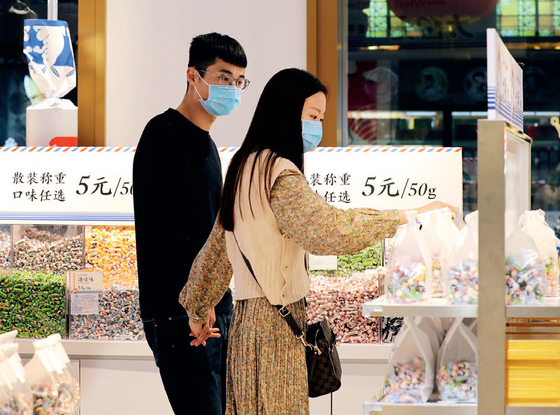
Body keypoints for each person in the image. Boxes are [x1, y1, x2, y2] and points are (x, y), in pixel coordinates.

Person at [179, 68, 455, 415]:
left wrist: (197, 307)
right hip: (274, 326)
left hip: (246, 326)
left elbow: (217, 249)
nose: (316, 126)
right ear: (286, 112)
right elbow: (327, 230)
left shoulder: (244, 165)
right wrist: (407, 215)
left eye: (320, 118)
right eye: (312, 116)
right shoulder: (279, 173)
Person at [133, 32, 248, 415]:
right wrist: (197, 302)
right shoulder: (162, 134)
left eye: (238, 81)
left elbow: (210, 230)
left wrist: (212, 297)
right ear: (193, 75)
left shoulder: (208, 142)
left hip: (212, 305)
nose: (232, 88)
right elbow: (167, 231)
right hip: (180, 310)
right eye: (223, 77)